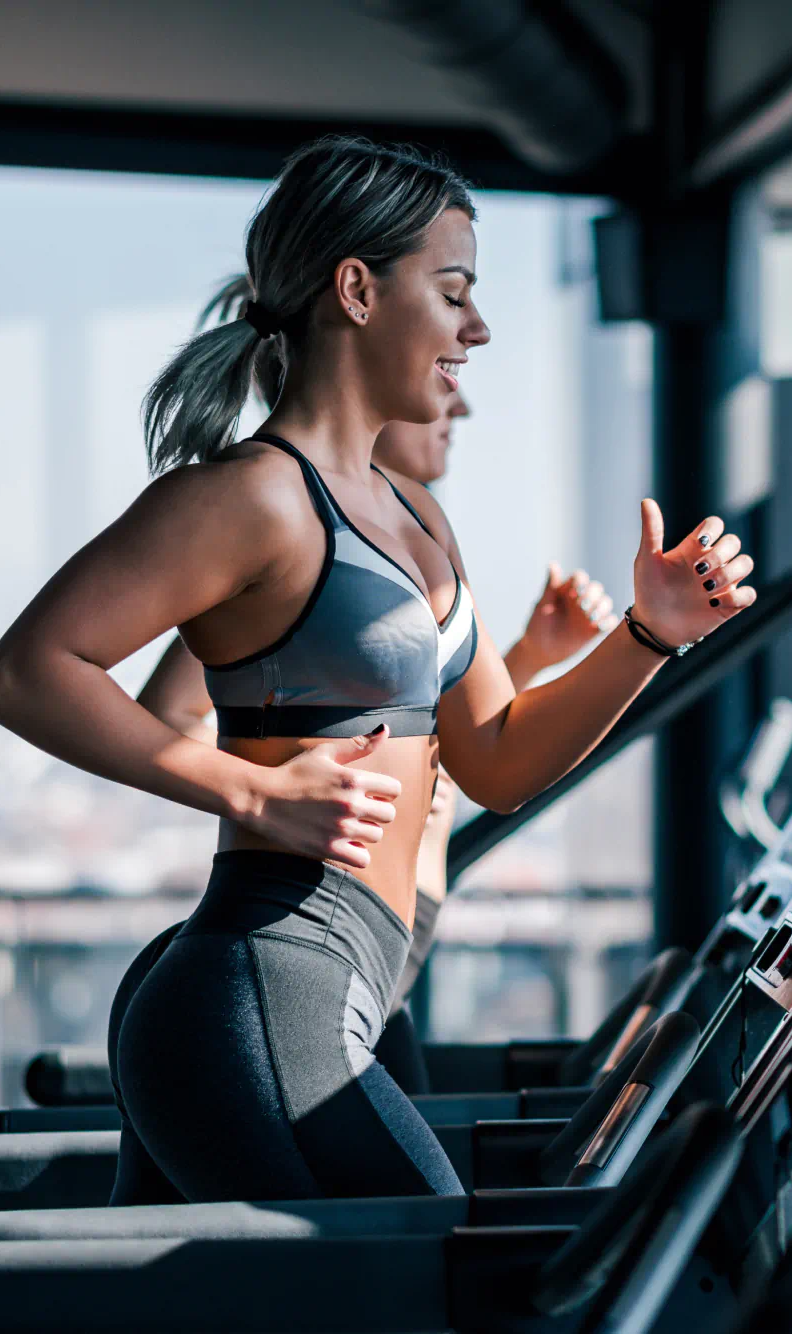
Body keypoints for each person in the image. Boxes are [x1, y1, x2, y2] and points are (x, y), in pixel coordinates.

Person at [0, 135, 755, 1205]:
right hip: (263, 980)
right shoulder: (252, 496)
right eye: (452, 292)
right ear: (357, 288)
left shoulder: (418, 514)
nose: (476, 328)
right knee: (439, 1267)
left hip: (344, 988)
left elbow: (498, 758)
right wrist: (248, 786)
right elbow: (27, 672)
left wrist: (649, 636)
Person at [138, 381, 615, 1096]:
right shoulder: (287, 544)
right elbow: (172, 707)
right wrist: (265, 792)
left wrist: (529, 655)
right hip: (306, 939)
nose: (461, 405)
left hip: (381, 940)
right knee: (409, 1198)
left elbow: (437, 734)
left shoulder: (416, 536)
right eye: (442, 382)